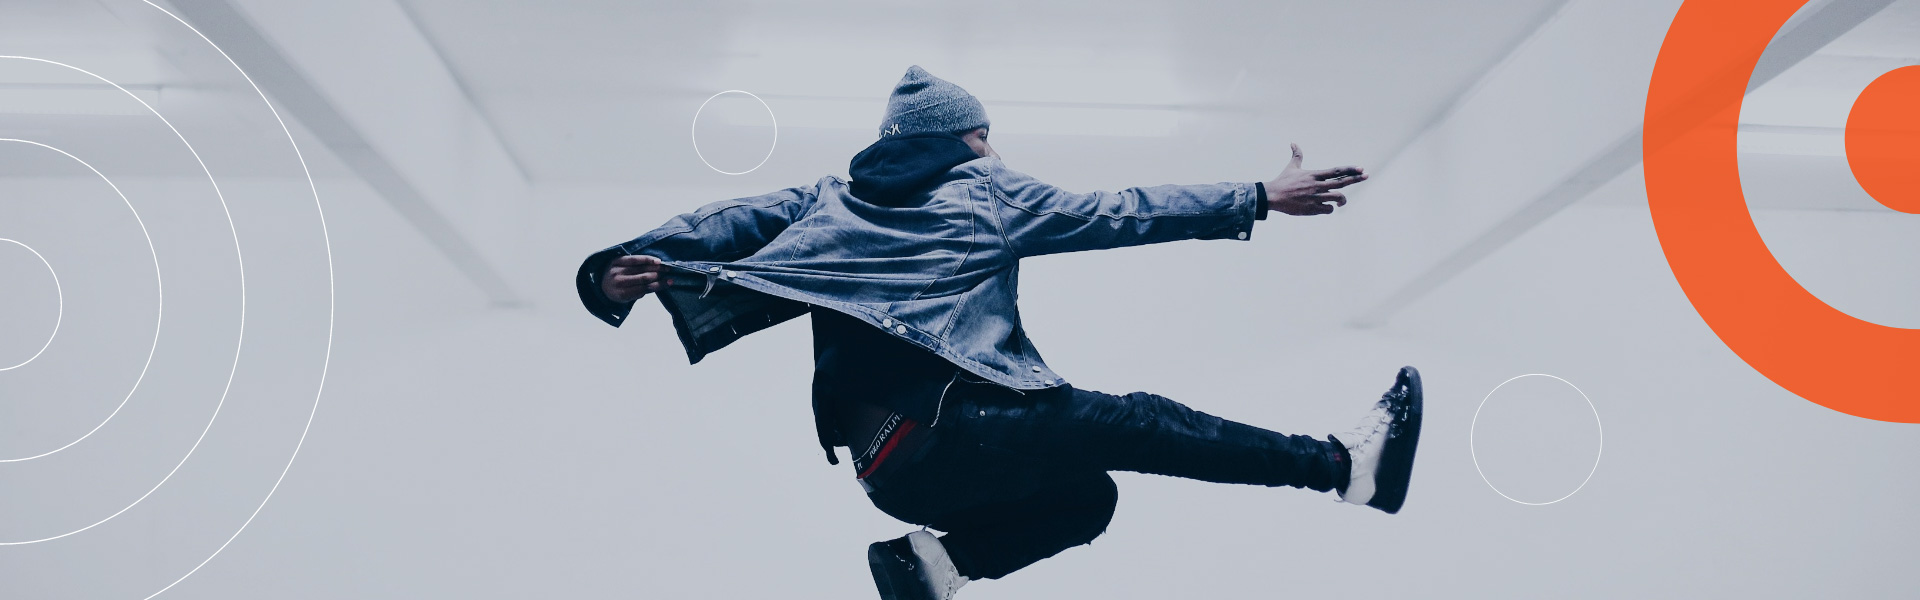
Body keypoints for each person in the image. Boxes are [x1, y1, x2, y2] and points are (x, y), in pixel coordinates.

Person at [576, 66, 1422, 600]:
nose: (991, 148)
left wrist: (616, 268)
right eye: (985, 136)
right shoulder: (986, 188)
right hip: (956, 424)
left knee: (1087, 497)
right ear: (965, 137)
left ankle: (928, 568)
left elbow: (724, 220)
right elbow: (1118, 212)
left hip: (891, 474)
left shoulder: (825, 200)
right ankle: (1341, 467)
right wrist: (1258, 196)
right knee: (1138, 421)